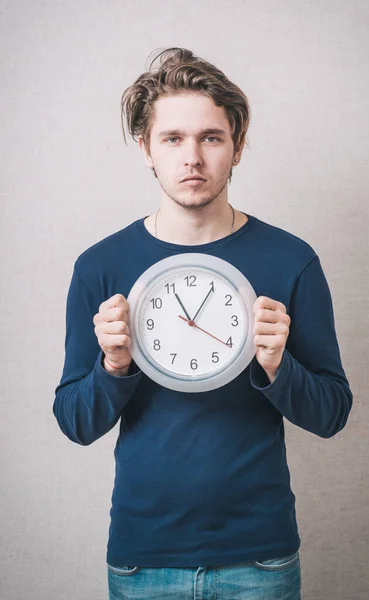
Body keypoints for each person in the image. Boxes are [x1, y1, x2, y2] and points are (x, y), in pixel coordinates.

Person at [53, 47, 353, 600]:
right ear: (146, 148)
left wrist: (277, 366)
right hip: (143, 561)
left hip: (260, 560)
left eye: (211, 137)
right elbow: (75, 421)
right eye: (173, 138)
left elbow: (333, 412)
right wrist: (114, 367)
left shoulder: (290, 261)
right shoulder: (101, 266)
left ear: (237, 147)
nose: (192, 157)